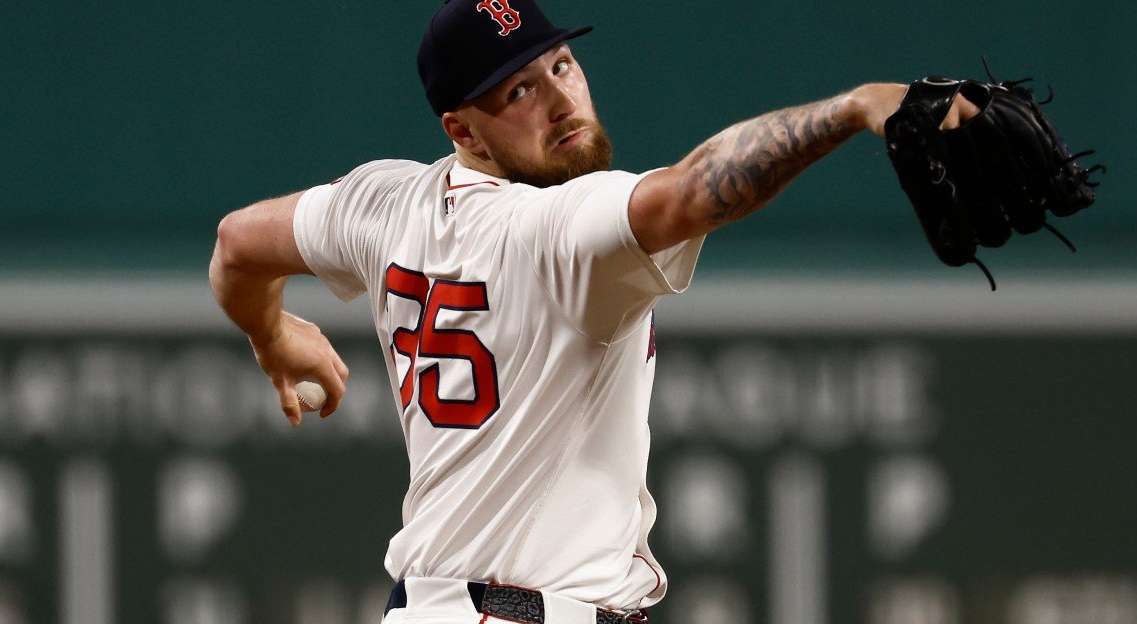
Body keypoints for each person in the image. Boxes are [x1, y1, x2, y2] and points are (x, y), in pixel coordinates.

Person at [209, 1, 978, 622]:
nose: (561, 101)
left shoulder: (384, 204)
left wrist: (269, 333)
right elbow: (691, 191)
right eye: (519, 91)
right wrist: (855, 108)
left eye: (560, 65)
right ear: (462, 129)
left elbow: (238, 243)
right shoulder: (550, 228)